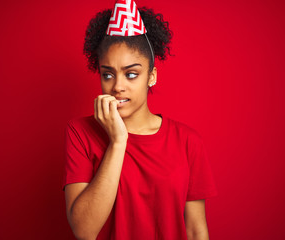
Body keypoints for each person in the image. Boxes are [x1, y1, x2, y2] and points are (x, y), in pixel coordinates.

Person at [62, 1, 218, 239]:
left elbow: (196, 229)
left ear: (151, 77)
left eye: (131, 74)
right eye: (108, 74)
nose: (117, 86)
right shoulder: (80, 132)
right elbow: (84, 231)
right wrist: (118, 141)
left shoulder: (187, 141)